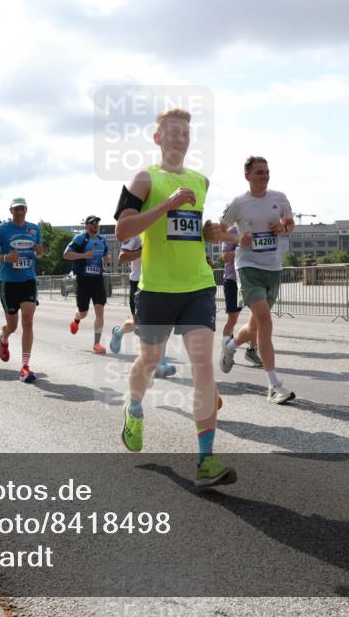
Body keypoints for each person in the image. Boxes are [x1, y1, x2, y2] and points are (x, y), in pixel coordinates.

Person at [114, 107, 235, 488]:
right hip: (156, 289)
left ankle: (206, 460)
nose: (180, 138)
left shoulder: (201, 181)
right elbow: (122, 231)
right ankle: (134, 408)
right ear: (157, 138)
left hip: (198, 285)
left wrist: (210, 233)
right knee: (149, 361)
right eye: (172, 132)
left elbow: (191, 230)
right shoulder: (144, 179)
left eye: (185, 133)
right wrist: (166, 204)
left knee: (203, 368)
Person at [219, 156, 297, 404]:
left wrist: (283, 228)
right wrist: (238, 239)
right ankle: (274, 385)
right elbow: (219, 230)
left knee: (255, 326)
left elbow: (290, 224)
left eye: (267, 172)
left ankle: (231, 346)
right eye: (259, 172)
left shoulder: (279, 198)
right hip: (248, 267)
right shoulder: (239, 203)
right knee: (265, 321)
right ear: (248, 176)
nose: (265, 176)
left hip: (273, 267)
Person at [0, 198, 44, 383]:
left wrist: (39, 251)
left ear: (26, 210)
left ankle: (25, 366)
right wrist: (5, 258)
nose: (19, 212)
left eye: (22, 209)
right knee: (12, 326)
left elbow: (40, 252)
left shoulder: (34, 229)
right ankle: (4, 337)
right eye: (16, 209)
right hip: (9, 282)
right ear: (11, 210)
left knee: (28, 321)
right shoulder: (1, 229)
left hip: (28, 280)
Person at [108, 235, 177, 378]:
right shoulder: (136, 235)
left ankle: (160, 363)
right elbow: (122, 257)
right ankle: (118, 333)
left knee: (166, 323)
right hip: (139, 283)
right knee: (139, 325)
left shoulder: (166, 230)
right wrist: (145, 250)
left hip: (162, 282)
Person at [65, 215, 112, 354]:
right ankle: (76, 319)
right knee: (83, 313)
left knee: (100, 309)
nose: (95, 225)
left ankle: (97, 344)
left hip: (97, 279)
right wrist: (84, 255)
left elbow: (105, 255)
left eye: (97, 223)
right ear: (86, 226)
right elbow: (66, 254)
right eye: (92, 223)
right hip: (83, 280)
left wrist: (107, 258)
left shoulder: (102, 240)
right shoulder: (80, 239)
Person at [220, 225, 262, 368]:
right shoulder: (232, 231)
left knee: (257, 317)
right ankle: (227, 351)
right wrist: (242, 247)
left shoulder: (258, 228)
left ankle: (251, 350)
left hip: (252, 280)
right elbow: (225, 257)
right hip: (233, 280)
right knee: (233, 319)